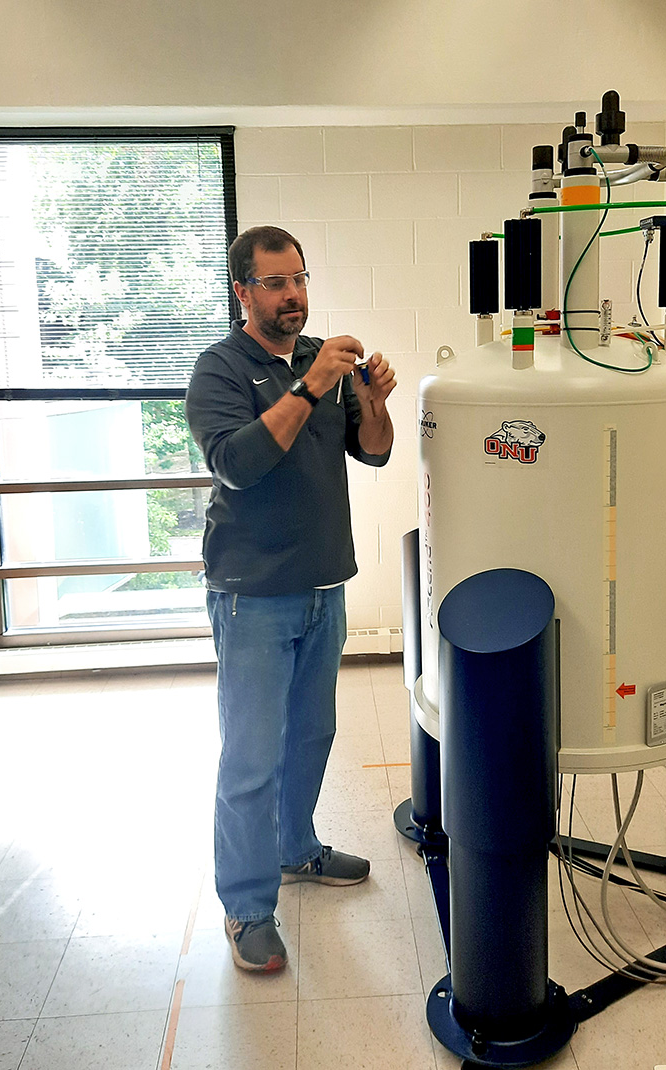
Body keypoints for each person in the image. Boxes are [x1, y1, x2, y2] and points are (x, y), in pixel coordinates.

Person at [184, 226, 395, 972]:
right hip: (252, 596)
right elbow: (236, 465)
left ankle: (295, 850)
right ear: (243, 291)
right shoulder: (220, 369)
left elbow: (373, 449)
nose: (293, 295)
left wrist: (369, 400)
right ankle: (245, 907)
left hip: (321, 586)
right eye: (275, 283)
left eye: (299, 278)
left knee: (310, 736)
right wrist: (308, 390)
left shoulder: (320, 363)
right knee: (250, 757)